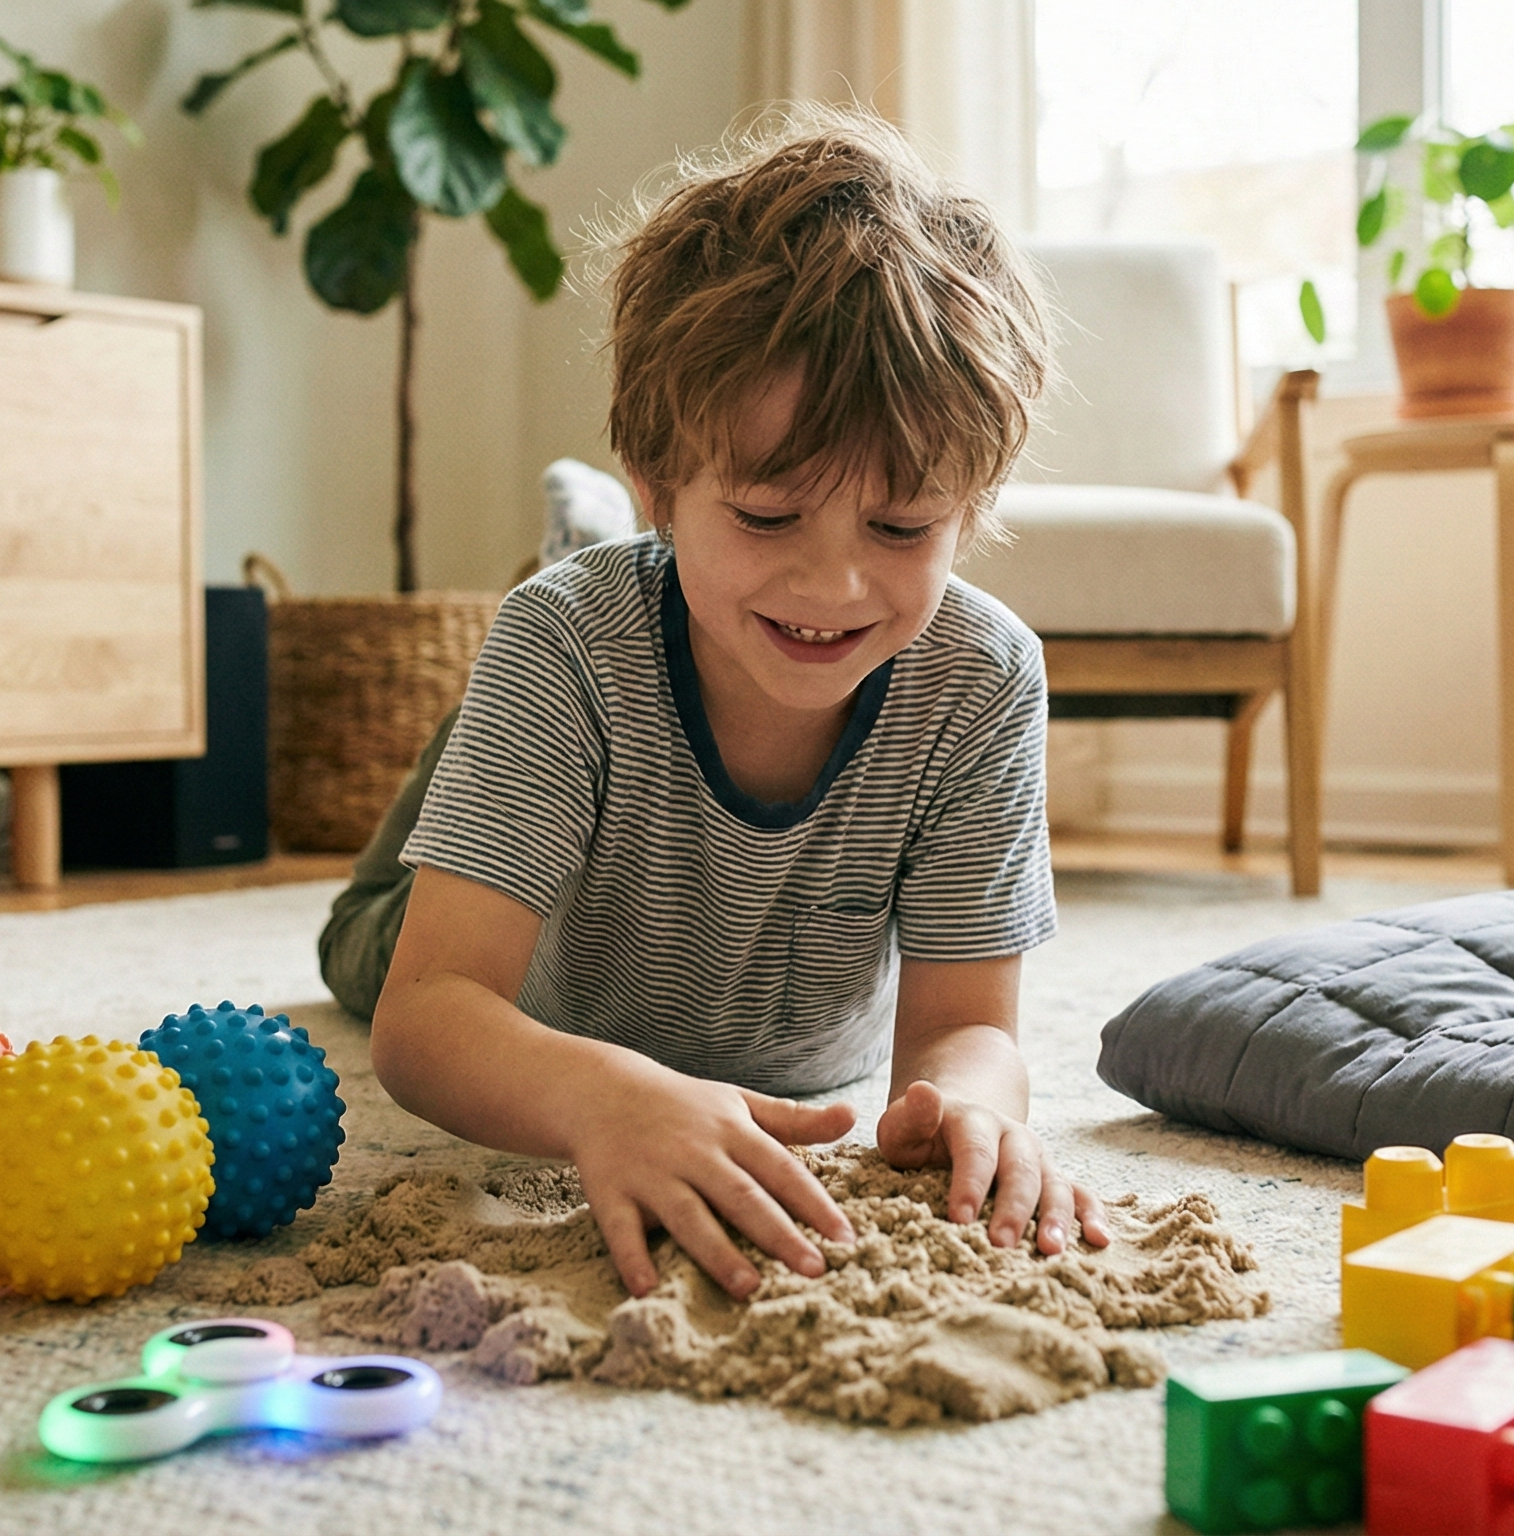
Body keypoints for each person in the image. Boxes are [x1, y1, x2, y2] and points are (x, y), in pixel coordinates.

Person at [318, 107, 1110, 1303]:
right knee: (377, 928)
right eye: (766, 514)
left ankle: (667, 579)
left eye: (902, 528)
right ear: (659, 481)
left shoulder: (982, 674)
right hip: (544, 863)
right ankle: (575, 605)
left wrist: (977, 1110)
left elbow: (970, 1027)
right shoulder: (567, 645)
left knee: (637, 630)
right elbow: (427, 1017)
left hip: (658, 709)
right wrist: (598, 1095)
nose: (834, 584)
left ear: (971, 507)